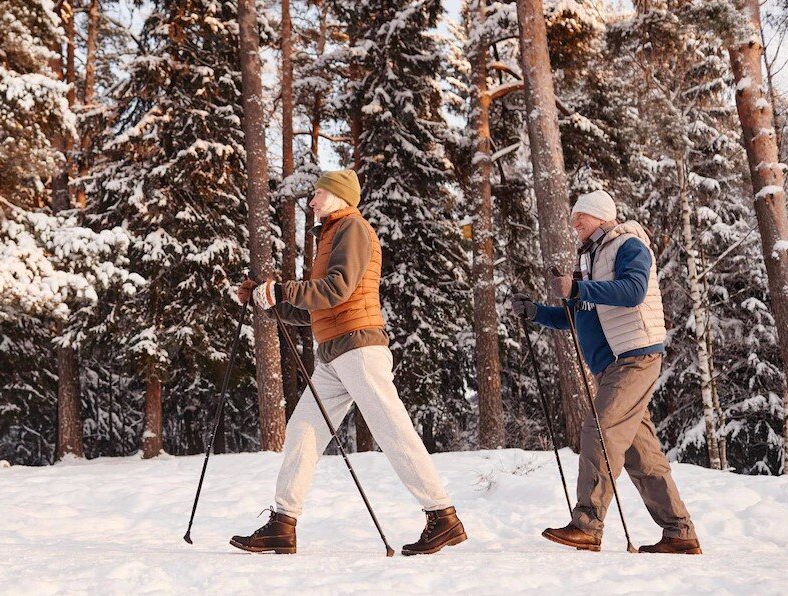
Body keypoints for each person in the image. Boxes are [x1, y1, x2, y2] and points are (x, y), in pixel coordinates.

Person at [230, 169, 466, 556]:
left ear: (339, 196)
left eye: (318, 194)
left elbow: (337, 288)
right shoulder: (329, 237)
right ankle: (282, 523)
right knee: (303, 430)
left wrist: (281, 289)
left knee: (391, 429)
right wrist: (269, 304)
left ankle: (442, 515)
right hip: (333, 355)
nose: (311, 202)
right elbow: (316, 311)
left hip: (358, 347)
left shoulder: (352, 228)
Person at [510, 189, 701, 554]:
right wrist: (535, 312)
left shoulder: (628, 244)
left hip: (635, 355)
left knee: (599, 429)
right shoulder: (590, 259)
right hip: (612, 364)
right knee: (640, 454)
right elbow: (576, 315)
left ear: (600, 216)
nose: (575, 224)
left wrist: (579, 286)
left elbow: (632, 291)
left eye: (581, 217)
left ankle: (587, 524)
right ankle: (680, 533)